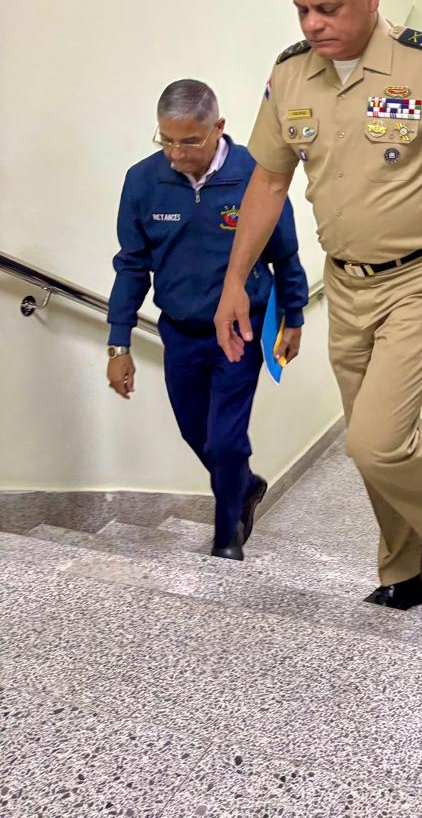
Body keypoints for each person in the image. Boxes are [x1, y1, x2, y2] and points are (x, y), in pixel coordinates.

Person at [214, 0, 422, 610]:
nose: (313, 24)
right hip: (346, 285)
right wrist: (234, 282)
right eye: (302, 10)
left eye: (329, 8)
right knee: (371, 445)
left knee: (376, 442)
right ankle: (402, 568)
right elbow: (267, 182)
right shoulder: (291, 74)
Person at [106, 79, 307, 559]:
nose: (177, 154)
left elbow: (285, 253)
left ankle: (226, 539)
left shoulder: (254, 173)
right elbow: (131, 265)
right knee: (195, 432)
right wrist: (119, 343)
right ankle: (245, 485)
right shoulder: (143, 180)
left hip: (241, 329)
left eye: (190, 141)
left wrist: (294, 317)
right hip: (179, 332)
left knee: (226, 439)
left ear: (219, 127)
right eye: (167, 140)